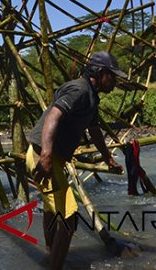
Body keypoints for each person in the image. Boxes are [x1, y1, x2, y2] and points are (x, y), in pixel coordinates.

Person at [26, 51, 126, 269]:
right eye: (113, 76)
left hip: (52, 157)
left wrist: (108, 158)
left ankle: (51, 254)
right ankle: (55, 265)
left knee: (53, 210)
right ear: (100, 73)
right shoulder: (79, 90)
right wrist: (45, 156)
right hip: (43, 154)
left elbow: (95, 130)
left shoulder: (90, 97)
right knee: (70, 219)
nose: (115, 82)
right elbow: (53, 115)